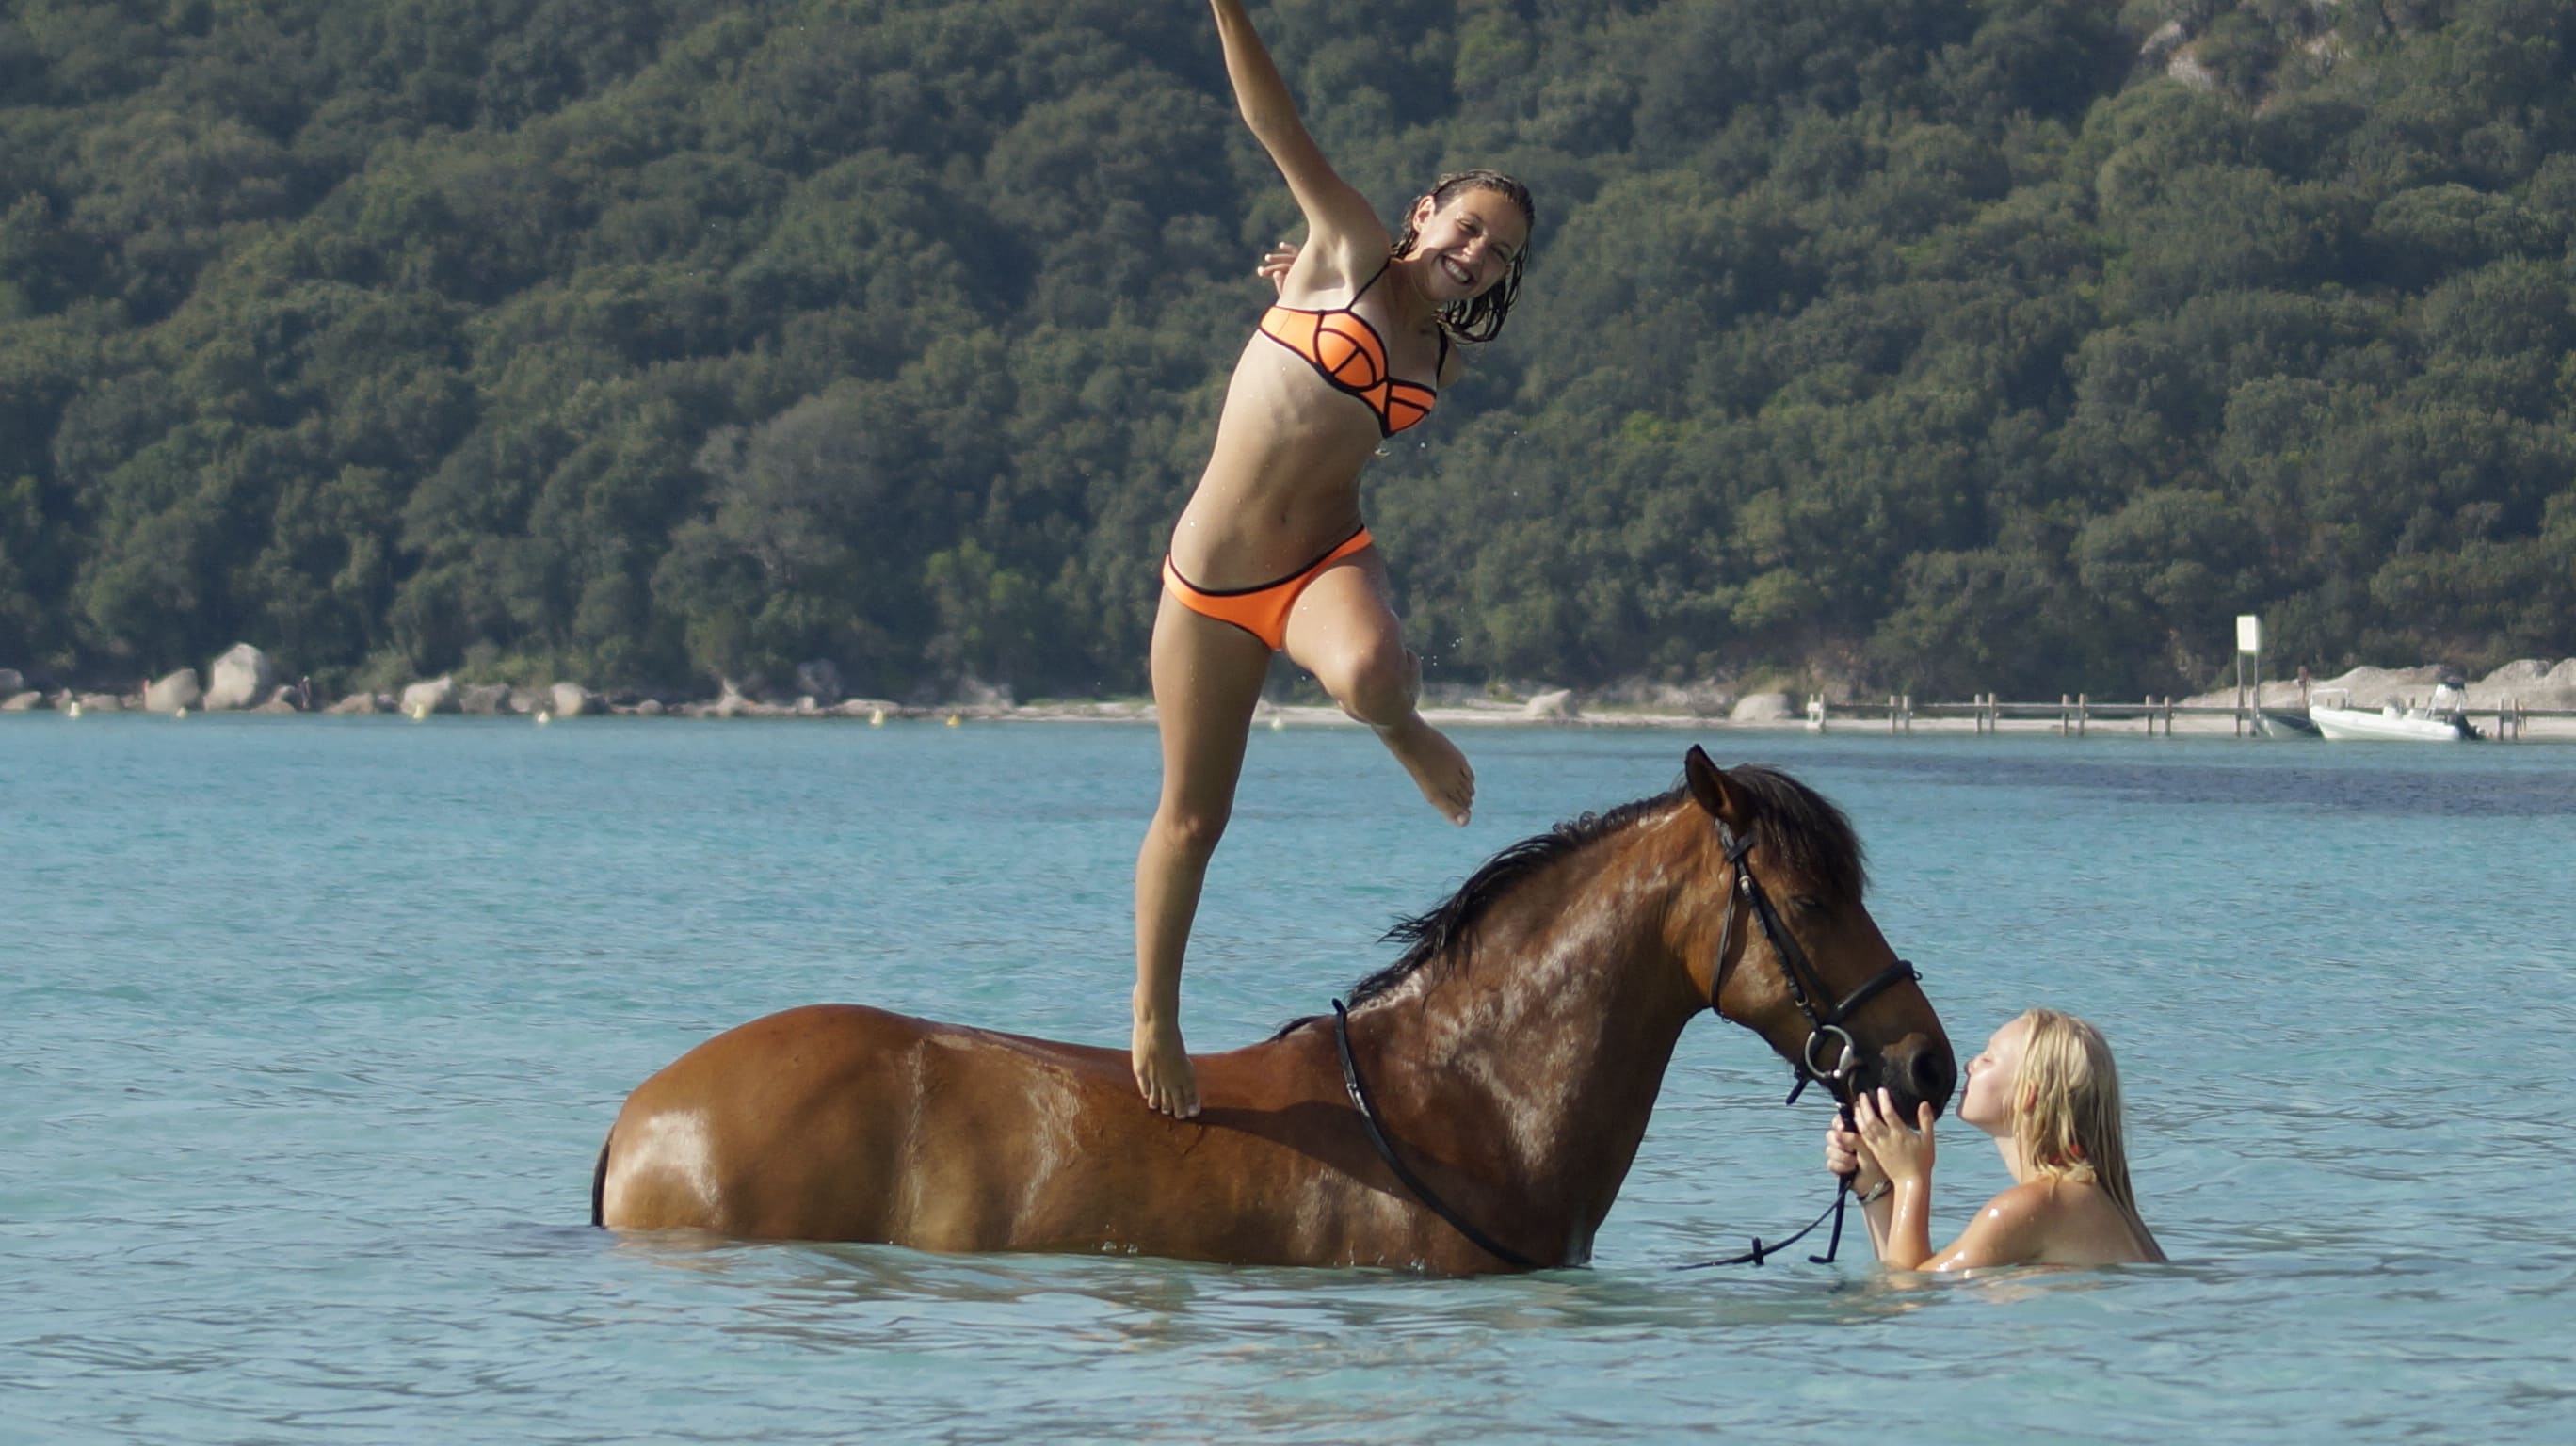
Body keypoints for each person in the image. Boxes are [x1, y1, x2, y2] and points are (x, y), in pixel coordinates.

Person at [1132, 0, 1537, 1118]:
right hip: (1211, 586)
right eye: (1466, 229)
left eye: (1499, 252)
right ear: (1423, 213)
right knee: (1193, 819)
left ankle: (1400, 729)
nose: (1476, 254)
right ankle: (1154, 1015)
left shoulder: (1443, 362)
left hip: (1324, 561)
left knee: (1371, 676)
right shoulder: (1346, 252)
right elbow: (1276, 121)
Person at [1824, 1007, 2165, 1270]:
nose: (1971, 1065)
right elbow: (1908, 1274)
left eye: (1988, 1058)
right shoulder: (2088, 1200)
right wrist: (1875, 1186)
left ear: (2028, 1095)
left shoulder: (2035, 1206)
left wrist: (1912, 1178)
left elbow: (1907, 1297)